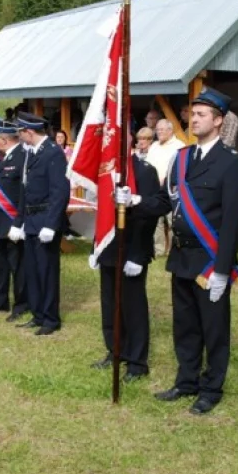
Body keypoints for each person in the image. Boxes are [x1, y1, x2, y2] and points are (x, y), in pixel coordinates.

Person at [121, 86, 238, 415]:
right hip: (181, 257)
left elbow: (234, 222)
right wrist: (136, 201)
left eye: (202, 114)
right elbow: (165, 202)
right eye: (192, 114)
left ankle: (211, 388)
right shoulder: (182, 158)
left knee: (213, 328)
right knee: (185, 325)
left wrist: (222, 269)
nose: (194, 119)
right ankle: (186, 380)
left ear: (219, 121)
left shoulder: (231, 164)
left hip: (209, 260)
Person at [90, 136, 163, 382]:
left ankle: (137, 361)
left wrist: (139, 255)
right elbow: (101, 212)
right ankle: (115, 350)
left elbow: (149, 215)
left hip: (132, 247)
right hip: (109, 247)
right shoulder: (105, 172)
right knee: (110, 304)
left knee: (132, 306)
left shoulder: (144, 171)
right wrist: (96, 247)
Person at [16, 111, 70, 336]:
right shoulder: (33, 153)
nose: (19, 136)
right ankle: (38, 313)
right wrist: (19, 222)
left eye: (21, 132)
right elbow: (26, 190)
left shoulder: (53, 153)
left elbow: (60, 191)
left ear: (29, 132)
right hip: (31, 219)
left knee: (46, 271)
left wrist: (51, 223)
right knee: (32, 270)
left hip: (45, 218)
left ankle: (50, 318)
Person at [0, 121, 30, 319]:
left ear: (4, 139)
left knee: (17, 266)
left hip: (12, 221)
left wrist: (19, 222)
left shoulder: (22, 158)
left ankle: (21, 305)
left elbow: (24, 194)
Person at [145, 119, 185, 257]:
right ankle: (159, 250)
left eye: (162, 129)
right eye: (158, 129)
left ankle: (174, 249)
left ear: (170, 130)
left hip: (171, 188)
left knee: (172, 220)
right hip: (154, 188)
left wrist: (167, 179)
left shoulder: (179, 146)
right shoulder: (154, 146)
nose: (159, 132)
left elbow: (180, 167)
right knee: (156, 221)